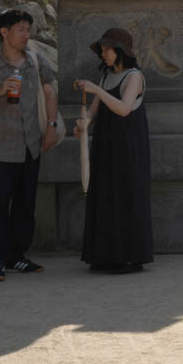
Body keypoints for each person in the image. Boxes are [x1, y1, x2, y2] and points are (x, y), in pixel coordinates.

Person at [0, 8, 61, 281]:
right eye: (21, 30)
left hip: (32, 144)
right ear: (4, 32)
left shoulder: (36, 61)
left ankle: (17, 257)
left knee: (25, 206)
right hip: (1, 148)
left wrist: (51, 126)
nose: (26, 35)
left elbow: (50, 91)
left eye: (28, 30)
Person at [75, 26, 153, 273]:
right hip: (106, 145)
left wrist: (95, 89)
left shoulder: (134, 76)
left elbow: (124, 108)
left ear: (121, 51)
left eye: (108, 49)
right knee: (106, 196)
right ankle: (105, 255)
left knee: (127, 196)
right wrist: (83, 124)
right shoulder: (106, 77)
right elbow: (95, 112)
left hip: (128, 146)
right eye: (102, 49)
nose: (103, 53)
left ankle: (129, 256)